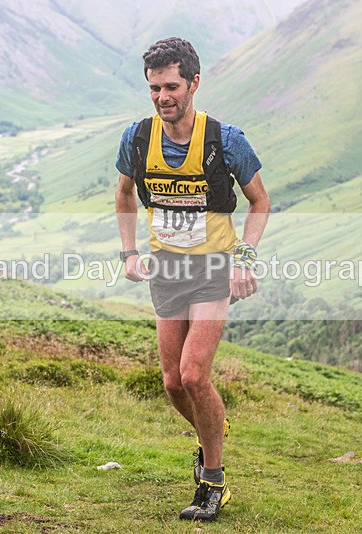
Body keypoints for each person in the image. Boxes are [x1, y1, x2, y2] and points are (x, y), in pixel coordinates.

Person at [115, 37, 270, 522]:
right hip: (166, 270)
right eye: (155, 88)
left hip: (212, 270)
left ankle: (213, 481)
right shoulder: (137, 138)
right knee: (171, 384)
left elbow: (260, 201)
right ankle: (213, 434)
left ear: (194, 84)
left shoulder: (226, 139)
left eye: (172, 87)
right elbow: (123, 196)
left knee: (193, 373)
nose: (163, 97)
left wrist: (245, 258)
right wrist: (128, 252)